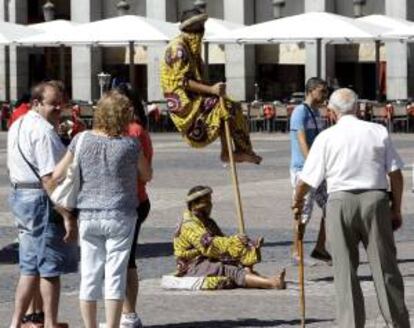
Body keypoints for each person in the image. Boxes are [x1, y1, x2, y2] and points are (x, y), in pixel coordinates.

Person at [292, 88, 410, 328]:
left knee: (345, 272)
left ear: (331, 112)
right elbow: (396, 175)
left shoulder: (326, 137)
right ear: (358, 109)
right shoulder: (378, 131)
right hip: (375, 201)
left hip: (340, 204)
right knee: (386, 268)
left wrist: (296, 200)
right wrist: (396, 208)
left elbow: (307, 180)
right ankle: (398, 323)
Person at [52, 90, 152, 328]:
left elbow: (57, 174)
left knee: (89, 275)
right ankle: (114, 325)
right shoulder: (130, 144)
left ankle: (90, 327)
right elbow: (147, 175)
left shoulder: (82, 139)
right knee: (115, 276)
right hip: (121, 215)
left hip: (88, 215)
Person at [7, 81, 78, 328]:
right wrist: (67, 215)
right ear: (36, 103)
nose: (59, 107)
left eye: (61, 102)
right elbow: (49, 179)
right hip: (41, 200)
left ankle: (16, 323)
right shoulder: (43, 131)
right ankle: (49, 323)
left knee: (29, 266)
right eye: (53, 104)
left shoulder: (18, 124)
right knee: (49, 267)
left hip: (20, 195)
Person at [160, 8, 261, 165]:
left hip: (196, 98)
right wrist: (211, 90)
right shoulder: (178, 49)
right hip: (185, 104)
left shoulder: (191, 48)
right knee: (225, 106)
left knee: (231, 106)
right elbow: (183, 81)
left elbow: (196, 78)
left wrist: (213, 89)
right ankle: (227, 153)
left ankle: (237, 150)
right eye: (198, 26)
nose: (202, 30)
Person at [173, 185, 286, 290]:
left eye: (210, 201)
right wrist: (234, 241)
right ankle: (271, 283)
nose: (210, 206)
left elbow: (222, 239)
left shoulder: (208, 222)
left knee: (238, 255)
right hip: (193, 265)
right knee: (226, 269)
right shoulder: (189, 224)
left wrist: (242, 244)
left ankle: (252, 275)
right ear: (194, 205)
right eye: (206, 202)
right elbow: (209, 244)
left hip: (208, 258)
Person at [116, 84, 154, 328]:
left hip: (132, 200)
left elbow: (144, 171)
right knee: (124, 259)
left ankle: (129, 314)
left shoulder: (133, 131)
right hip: (132, 200)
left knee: (125, 259)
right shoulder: (132, 129)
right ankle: (124, 314)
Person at [289, 77, 331, 265]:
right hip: (303, 169)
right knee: (303, 211)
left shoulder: (317, 112)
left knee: (332, 206)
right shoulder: (300, 112)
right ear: (311, 90)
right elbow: (302, 140)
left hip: (319, 169)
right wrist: (312, 164)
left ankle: (320, 247)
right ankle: (296, 252)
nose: (325, 95)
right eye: (322, 91)